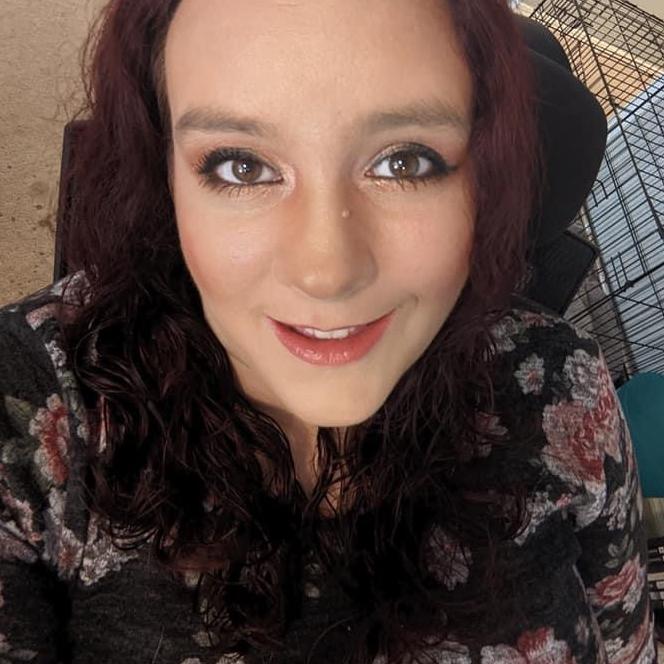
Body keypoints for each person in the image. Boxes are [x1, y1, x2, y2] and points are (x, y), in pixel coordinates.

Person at [0, 0, 656, 662]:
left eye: (405, 163)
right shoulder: (28, 411)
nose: (327, 273)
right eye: (240, 166)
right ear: (163, 173)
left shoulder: (561, 386)